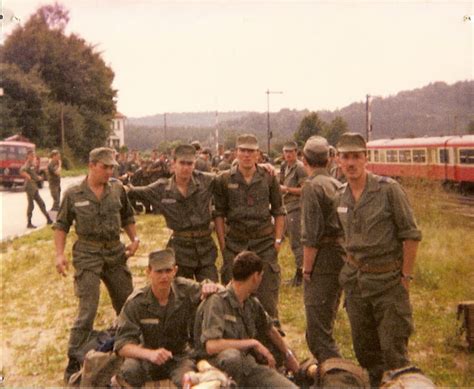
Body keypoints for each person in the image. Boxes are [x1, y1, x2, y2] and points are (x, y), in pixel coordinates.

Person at [335, 132, 422, 387]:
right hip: (356, 284)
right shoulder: (340, 195)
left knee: (394, 352)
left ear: (366, 158)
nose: (350, 163)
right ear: (338, 160)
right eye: (345, 157)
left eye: (356, 157)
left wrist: (404, 278)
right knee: (365, 352)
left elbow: (411, 235)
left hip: (387, 283)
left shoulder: (388, 190)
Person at [53, 147, 140, 383]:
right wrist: (59, 254)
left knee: (128, 303)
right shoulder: (73, 194)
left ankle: (128, 350)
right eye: (105, 167)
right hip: (88, 253)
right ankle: (74, 361)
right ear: (92, 165)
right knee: (87, 309)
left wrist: (135, 239)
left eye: (112, 167)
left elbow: (128, 218)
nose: (109, 171)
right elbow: (61, 226)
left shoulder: (118, 190)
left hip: (114, 252)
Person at [113, 248, 220, 388]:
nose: (164, 276)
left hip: (179, 357)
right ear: (148, 272)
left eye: (168, 271)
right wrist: (150, 354)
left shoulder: (184, 289)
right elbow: (122, 345)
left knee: (189, 380)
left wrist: (211, 287)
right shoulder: (137, 302)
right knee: (129, 370)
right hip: (146, 358)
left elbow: (216, 289)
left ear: (175, 270)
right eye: (158, 271)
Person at [194, 251, 299, 388]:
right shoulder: (217, 302)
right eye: (261, 276)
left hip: (248, 366)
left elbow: (270, 330)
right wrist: (252, 343)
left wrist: (288, 354)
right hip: (215, 369)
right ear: (255, 277)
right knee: (232, 357)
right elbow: (211, 346)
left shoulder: (251, 303)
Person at [213, 134, 285, 319]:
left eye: (251, 151)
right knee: (232, 301)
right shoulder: (224, 179)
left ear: (258, 154)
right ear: (236, 153)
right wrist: (223, 245)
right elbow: (219, 214)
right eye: (243, 150)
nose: (246, 155)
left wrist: (277, 241)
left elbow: (279, 211)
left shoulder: (268, 178)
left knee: (267, 299)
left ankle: (270, 343)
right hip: (235, 244)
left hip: (263, 244)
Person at [127, 144, 219, 282]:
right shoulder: (162, 188)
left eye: (190, 163)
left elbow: (229, 177)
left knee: (212, 295)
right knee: (181, 297)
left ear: (194, 164)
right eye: (182, 163)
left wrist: (261, 168)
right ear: (173, 163)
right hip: (180, 251)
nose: (186, 167)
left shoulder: (207, 181)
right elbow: (133, 192)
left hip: (205, 249)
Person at [300, 136, 345, 363]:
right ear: (329, 160)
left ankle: (340, 377)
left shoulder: (311, 187)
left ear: (304, 159)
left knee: (318, 335)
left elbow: (311, 236)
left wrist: (307, 270)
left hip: (323, 261)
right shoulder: (337, 185)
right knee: (325, 322)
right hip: (340, 257)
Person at [279, 141, 307, 287]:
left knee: (297, 242)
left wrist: (287, 189)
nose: (288, 154)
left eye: (290, 152)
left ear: (296, 152)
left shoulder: (300, 168)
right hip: (286, 207)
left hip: (296, 208)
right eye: (285, 152)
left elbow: (305, 190)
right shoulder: (285, 166)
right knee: (287, 241)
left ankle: (301, 275)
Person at [20, 149, 53, 228]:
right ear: (28, 156)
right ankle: (29, 222)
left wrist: (38, 178)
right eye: (31, 156)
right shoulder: (27, 164)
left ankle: (48, 219)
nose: (33, 157)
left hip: (34, 187)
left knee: (41, 203)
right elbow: (22, 170)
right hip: (30, 187)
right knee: (31, 205)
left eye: (33, 156)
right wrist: (27, 176)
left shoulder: (32, 165)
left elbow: (33, 174)